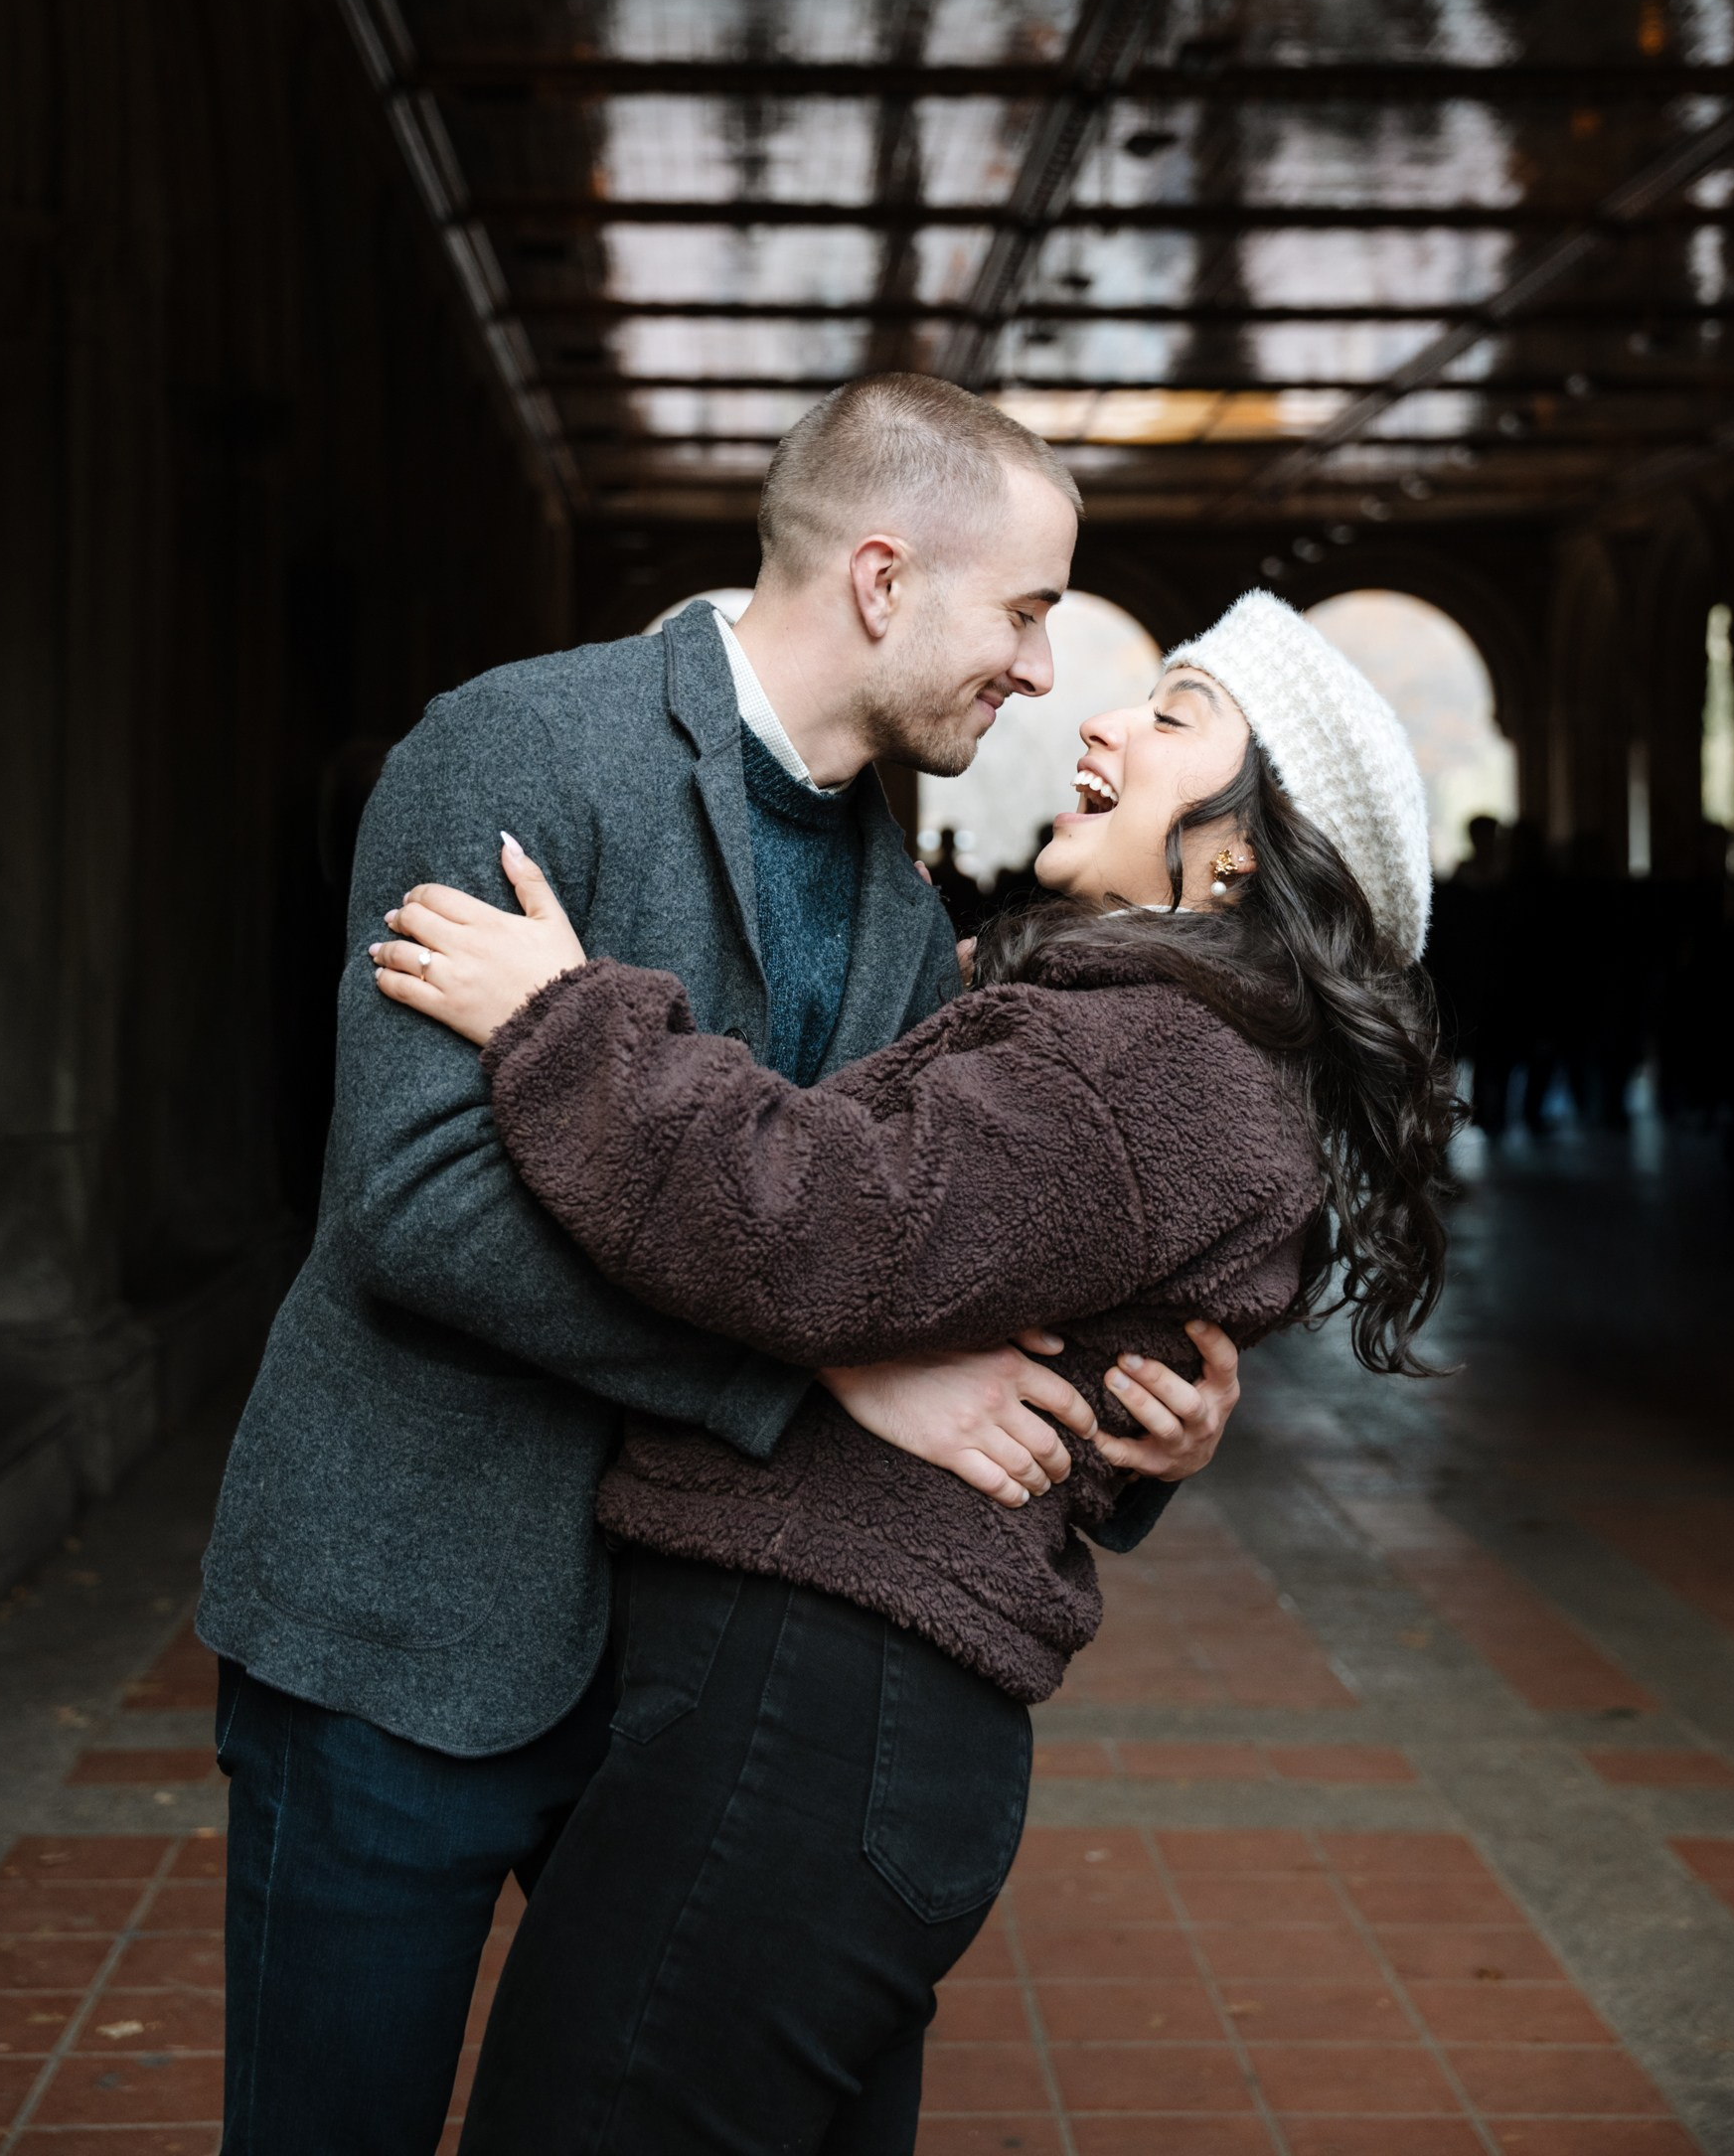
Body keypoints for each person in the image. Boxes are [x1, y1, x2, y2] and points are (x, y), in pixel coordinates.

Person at [198, 376, 1238, 2156]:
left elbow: (901, 1256)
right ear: (883, 580)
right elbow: (416, 1207)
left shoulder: (899, 896)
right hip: (400, 1630)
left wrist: (1139, 1440)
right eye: (1024, 612)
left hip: (680, 1681)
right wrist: (819, 1361)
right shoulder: (517, 745)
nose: (1039, 670)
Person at [372, 589, 1454, 2156]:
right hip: (844, 1721)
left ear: (1238, 855)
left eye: (1173, 717)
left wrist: (558, 1017)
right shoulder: (1175, 1044)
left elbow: (815, 1223)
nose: (1099, 719)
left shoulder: (1155, 1060)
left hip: (811, 1708)